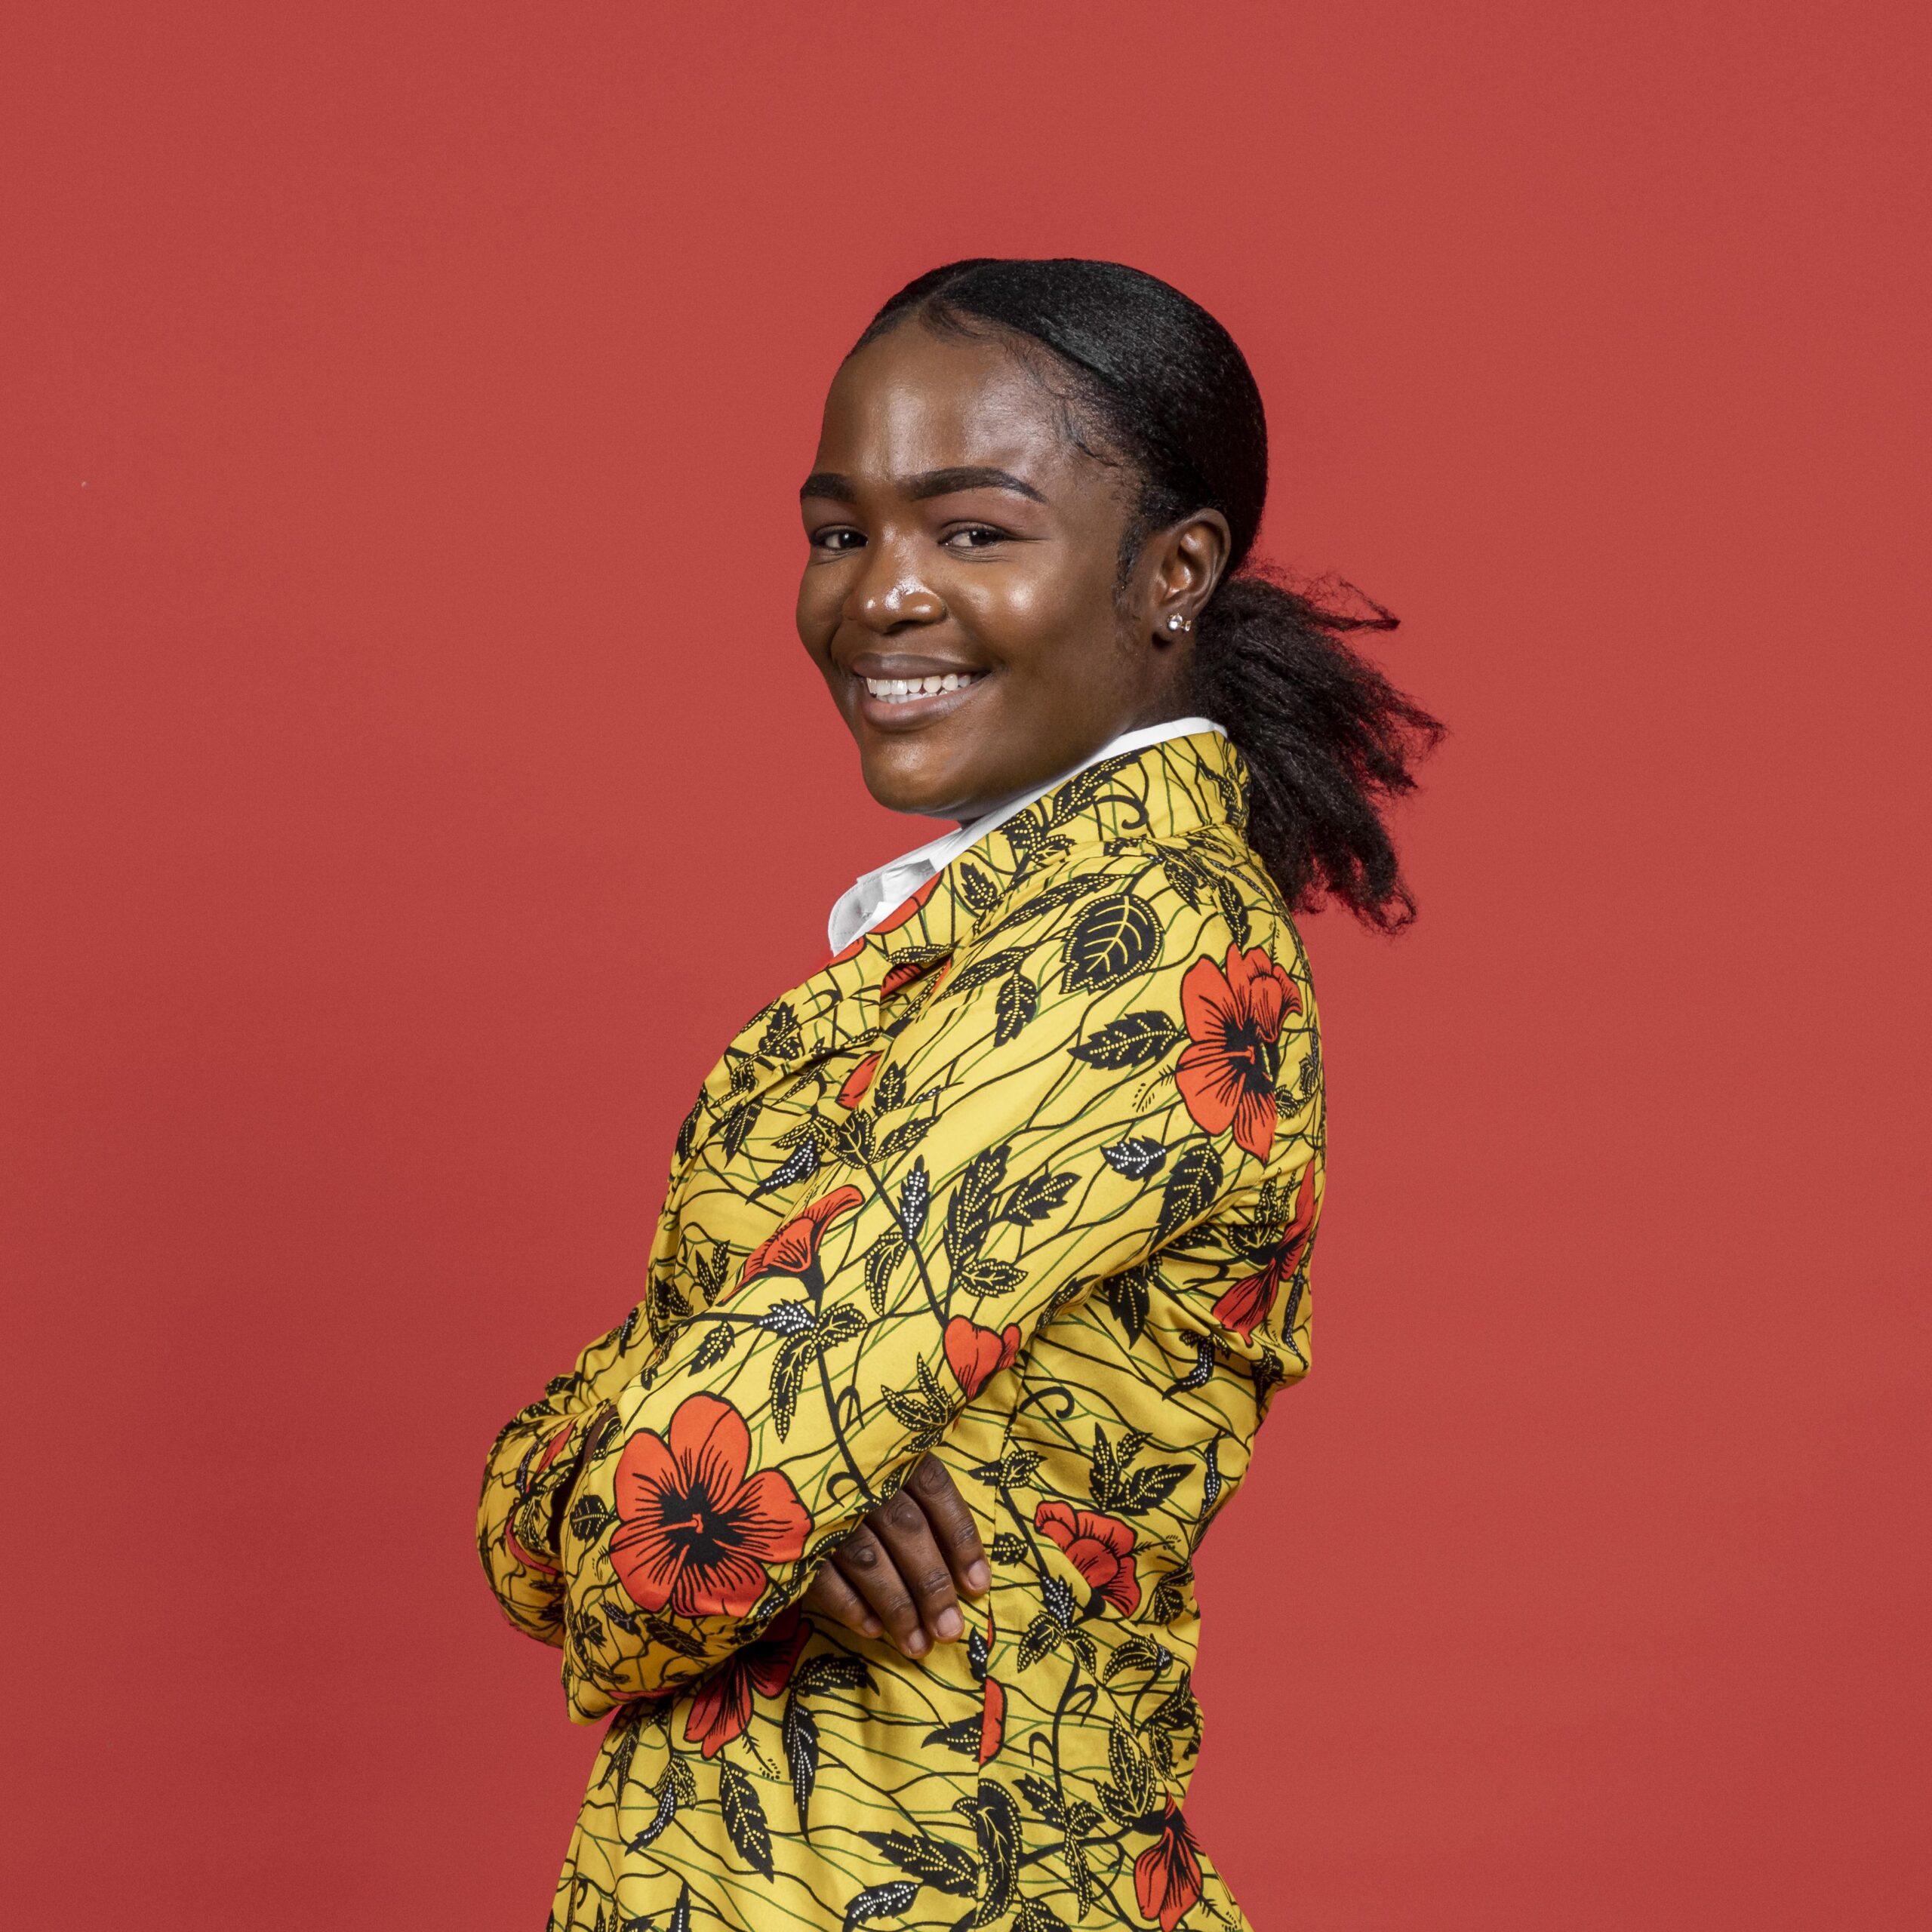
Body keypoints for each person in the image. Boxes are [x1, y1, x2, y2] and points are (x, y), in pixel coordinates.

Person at [478, 257, 1441, 1932]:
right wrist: (743, 1466)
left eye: (973, 531)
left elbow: (667, 1519)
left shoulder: (1136, 951)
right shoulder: (977, 945)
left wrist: (735, 1470)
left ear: (1173, 573)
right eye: (840, 530)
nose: (877, 596)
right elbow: (643, 1500)